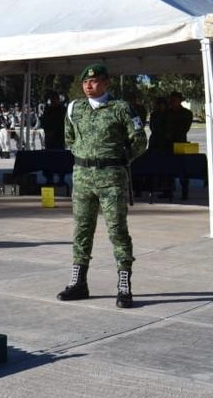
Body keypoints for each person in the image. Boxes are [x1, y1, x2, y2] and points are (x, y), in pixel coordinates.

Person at [57, 64, 147, 309]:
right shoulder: (75, 108)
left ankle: (124, 285)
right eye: (86, 82)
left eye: (94, 81)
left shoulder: (121, 108)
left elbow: (140, 140)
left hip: (111, 179)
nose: (89, 85)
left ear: (106, 83)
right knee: (81, 230)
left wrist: (121, 159)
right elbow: (69, 138)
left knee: (117, 231)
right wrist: (84, 155)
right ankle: (79, 283)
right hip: (82, 178)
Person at [165, 91, 194, 199]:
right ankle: (169, 190)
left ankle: (184, 191)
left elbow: (185, 128)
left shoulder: (186, 113)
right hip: (168, 144)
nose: (172, 102)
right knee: (168, 168)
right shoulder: (167, 113)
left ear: (179, 100)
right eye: (171, 100)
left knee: (183, 168)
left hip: (180, 143)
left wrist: (171, 132)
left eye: (174, 100)